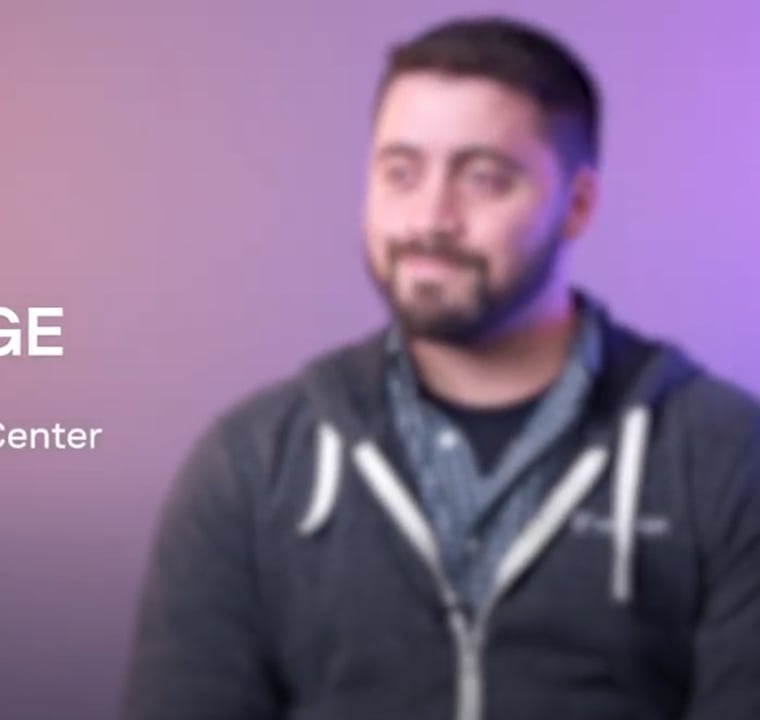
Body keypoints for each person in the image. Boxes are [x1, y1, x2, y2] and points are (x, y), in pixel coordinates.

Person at [120, 14, 760, 720]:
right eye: (401, 173)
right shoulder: (253, 464)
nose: (430, 218)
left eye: (483, 179)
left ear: (576, 205)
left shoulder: (724, 458)